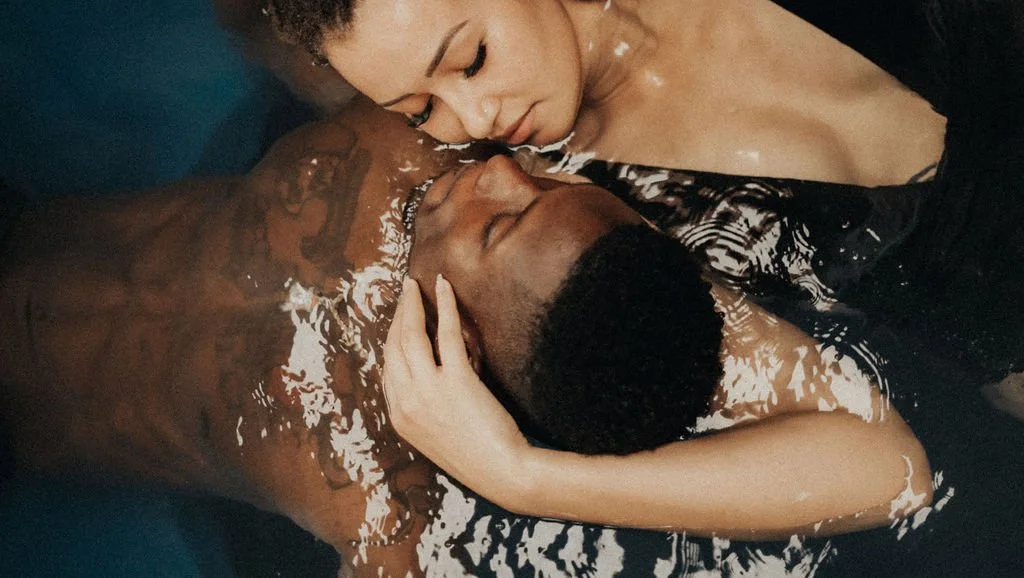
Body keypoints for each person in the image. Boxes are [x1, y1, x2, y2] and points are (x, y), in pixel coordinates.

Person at [178, 0, 1024, 386]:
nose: (474, 118)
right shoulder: (564, 211)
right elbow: (252, 29)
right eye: (420, 109)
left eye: (469, 60)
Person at [0, 99, 934, 576]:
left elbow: (893, 473)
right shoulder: (412, 143)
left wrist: (520, 476)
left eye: (501, 226)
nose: (498, 171)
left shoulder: (378, 495)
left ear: (472, 348)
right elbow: (254, 9)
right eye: (546, 186)